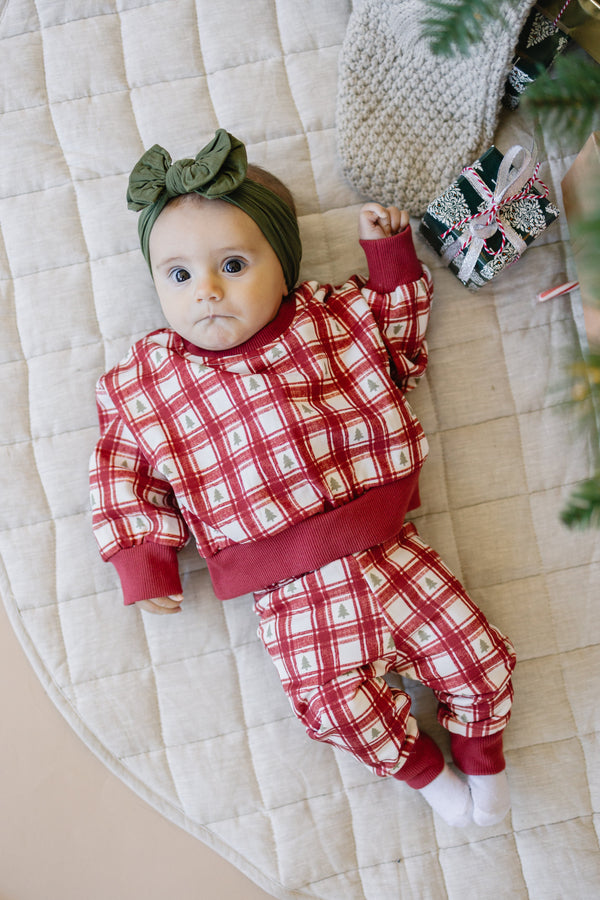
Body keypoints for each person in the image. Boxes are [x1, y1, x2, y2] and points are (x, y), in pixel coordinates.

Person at [90, 129, 516, 828]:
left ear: (284, 266)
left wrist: (388, 255)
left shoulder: (327, 320)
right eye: (179, 276)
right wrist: (145, 561)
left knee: (478, 660)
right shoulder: (148, 381)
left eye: (232, 264)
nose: (207, 292)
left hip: (387, 547)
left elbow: (397, 337)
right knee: (337, 707)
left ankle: (483, 754)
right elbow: (120, 469)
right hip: (289, 593)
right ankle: (426, 774)